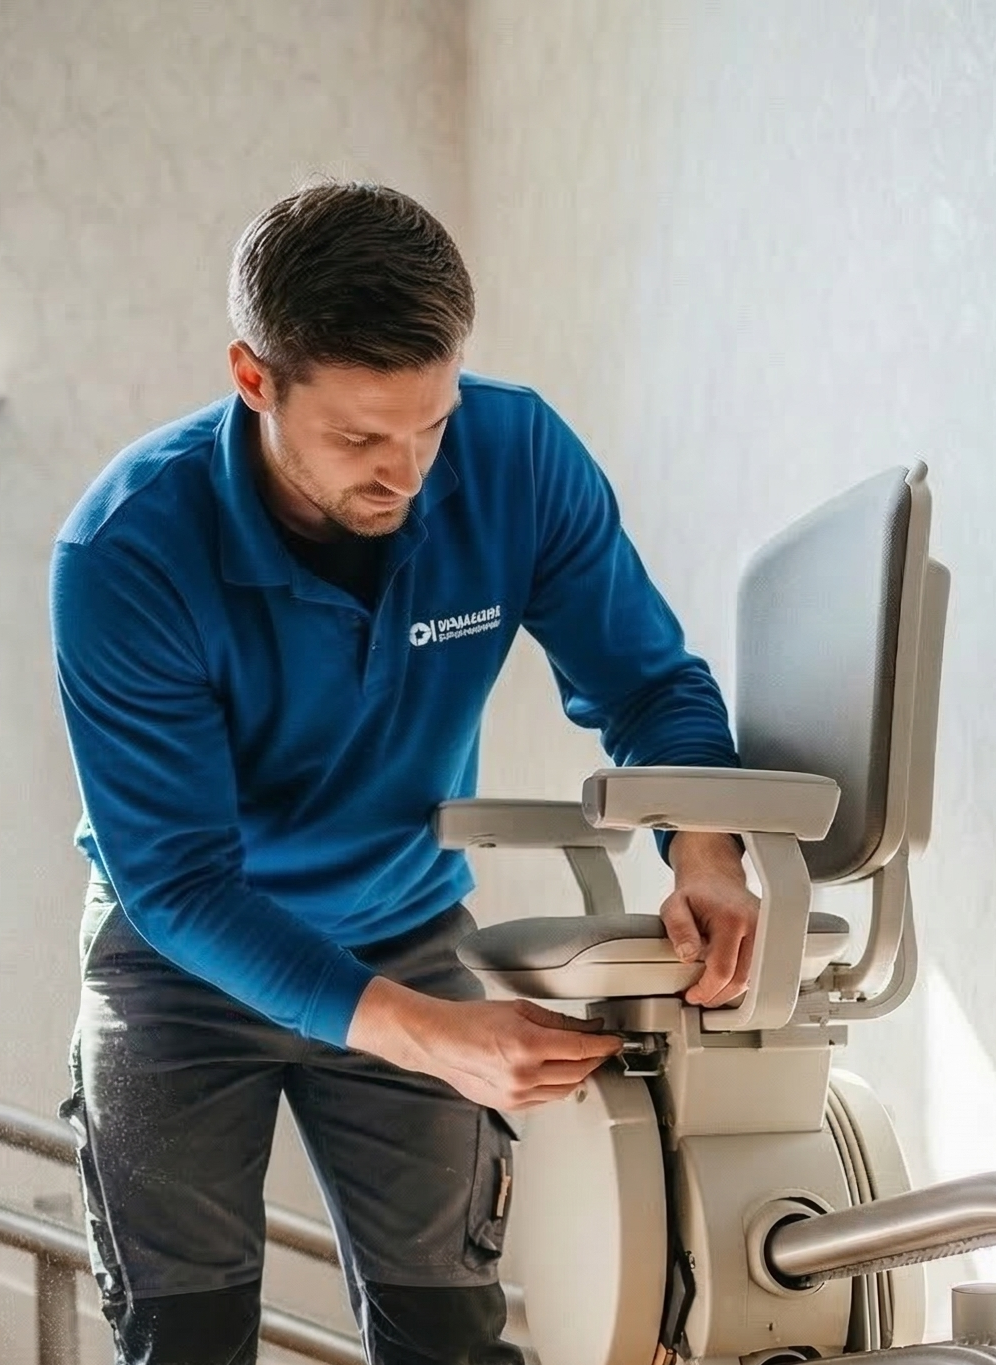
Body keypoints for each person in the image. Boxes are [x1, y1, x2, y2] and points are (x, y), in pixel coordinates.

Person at [48, 181, 758, 1365]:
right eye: (361, 438)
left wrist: (706, 849)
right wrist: (435, 1038)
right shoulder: (125, 551)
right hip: (177, 961)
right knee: (183, 1345)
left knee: (451, 1340)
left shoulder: (516, 455)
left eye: (429, 425)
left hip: (402, 921)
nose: (408, 472)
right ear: (253, 377)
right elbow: (176, 883)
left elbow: (649, 686)